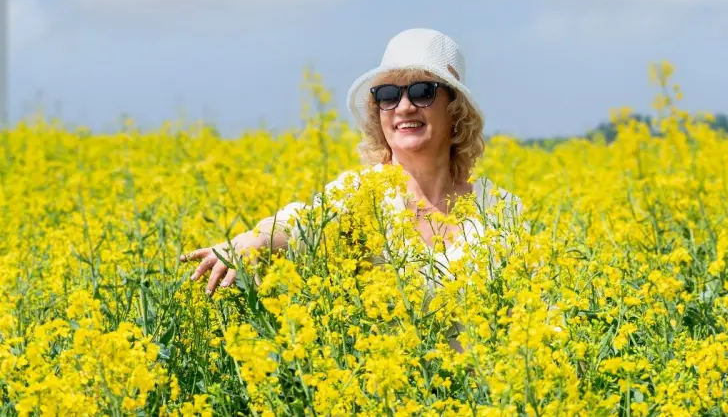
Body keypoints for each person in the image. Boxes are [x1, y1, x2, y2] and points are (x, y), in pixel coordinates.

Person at [180, 28, 524, 296]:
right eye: (388, 96)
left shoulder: (501, 209)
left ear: (454, 109)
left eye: (423, 91)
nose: (404, 107)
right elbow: (303, 222)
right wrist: (246, 243)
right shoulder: (361, 194)